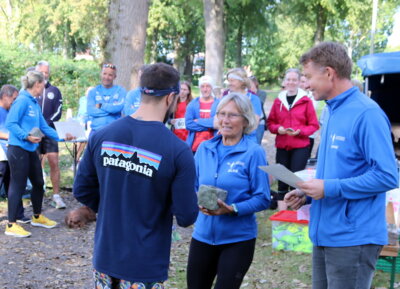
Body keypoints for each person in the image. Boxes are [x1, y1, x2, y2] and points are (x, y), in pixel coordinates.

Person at [285, 42, 399, 289]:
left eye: (308, 76)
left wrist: (329, 188)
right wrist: (308, 194)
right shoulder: (331, 111)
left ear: (329, 73)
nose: (304, 83)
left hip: (353, 238)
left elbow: (388, 176)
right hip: (325, 231)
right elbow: (340, 170)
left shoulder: (366, 113)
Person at [73, 63, 198, 289]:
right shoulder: (178, 150)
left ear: (141, 91)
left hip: (105, 256)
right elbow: (187, 215)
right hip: (144, 264)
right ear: (171, 98)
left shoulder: (102, 136)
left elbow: (82, 190)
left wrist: (113, 204)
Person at [186, 93, 270, 289]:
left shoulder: (254, 152)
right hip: (203, 235)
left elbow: (263, 198)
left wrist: (233, 208)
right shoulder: (204, 149)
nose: (225, 120)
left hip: (238, 238)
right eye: (221, 114)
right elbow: (194, 186)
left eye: (232, 115)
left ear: (246, 120)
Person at [5, 71, 74, 238]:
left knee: (38, 182)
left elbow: (44, 127)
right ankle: (11, 224)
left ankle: (37, 216)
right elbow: (10, 123)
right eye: (43, 84)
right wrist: (26, 136)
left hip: (30, 150)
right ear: (37, 84)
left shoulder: (33, 103)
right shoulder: (21, 101)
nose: (44, 87)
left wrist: (62, 136)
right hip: (18, 148)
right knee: (18, 184)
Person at [267, 68, 319, 210]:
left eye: (294, 80)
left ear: (298, 82)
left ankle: (297, 214)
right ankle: (282, 213)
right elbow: (270, 123)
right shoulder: (279, 100)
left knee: (296, 180)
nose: (291, 82)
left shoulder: (306, 101)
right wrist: (279, 129)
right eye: (288, 79)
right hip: (282, 145)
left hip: (300, 145)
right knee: (282, 179)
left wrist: (300, 131)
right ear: (285, 81)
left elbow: (314, 125)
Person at [35, 60, 65, 209]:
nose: (44, 75)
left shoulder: (54, 90)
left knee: (54, 162)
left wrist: (46, 123)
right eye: (42, 72)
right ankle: (38, 193)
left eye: (46, 72)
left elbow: (59, 111)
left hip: (50, 131)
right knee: (37, 163)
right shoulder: (32, 91)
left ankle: (56, 195)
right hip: (34, 133)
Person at [0, 85, 29, 223]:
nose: (15, 102)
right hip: (1, 153)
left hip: (11, 152)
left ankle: (18, 214)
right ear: (5, 96)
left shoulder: (12, 111)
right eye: (14, 99)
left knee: (14, 183)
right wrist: (11, 136)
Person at [225, 68, 263, 143]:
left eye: (232, 80)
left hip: (247, 140)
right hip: (228, 140)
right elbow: (217, 121)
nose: (229, 83)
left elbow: (254, 123)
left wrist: (231, 126)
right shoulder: (225, 98)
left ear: (242, 82)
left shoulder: (253, 99)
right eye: (229, 81)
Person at [87, 63, 127, 134]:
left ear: (115, 77)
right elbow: (91, 111)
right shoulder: (93, 92)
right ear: (101, 74)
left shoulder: (121, 91)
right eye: (104, 74)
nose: (106, 77)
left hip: (114, 131)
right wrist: (111, 111)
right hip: (96, 131)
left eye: (110, 75)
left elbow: (118, 108)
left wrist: (101, 106)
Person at [185, 75, 219, 153]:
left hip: (213, 146)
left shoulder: (219, 104)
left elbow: (219, 123)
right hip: (195, 147)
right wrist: (211, 126)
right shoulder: (192, 104)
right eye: (202, 86)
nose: (205, 89)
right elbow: (188, 124)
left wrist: (198, 121)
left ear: (212, 87)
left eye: (208, 86)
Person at [249, 75, 267, 144]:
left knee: (256, 144)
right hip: (249, 122)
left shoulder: (262, 93)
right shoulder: (247, 93)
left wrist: (253, 93)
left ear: (255, 83)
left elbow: (260, 103)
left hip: (259, 122)